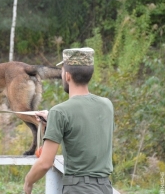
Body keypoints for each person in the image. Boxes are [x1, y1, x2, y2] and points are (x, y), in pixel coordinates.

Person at [23, 47, 114, 194]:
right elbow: (85, 122)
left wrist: (28, 181)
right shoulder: (107, 105)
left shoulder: (60, 112)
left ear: (67, 76)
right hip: (105, 188)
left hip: (78, 189)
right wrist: (52, 119)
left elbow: (45, 163)